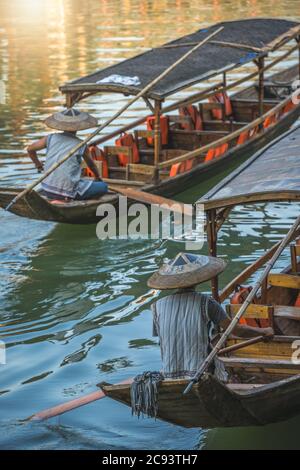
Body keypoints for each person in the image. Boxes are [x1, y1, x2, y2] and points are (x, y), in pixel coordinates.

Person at [147, 252, 274, 381]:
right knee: (225, 373)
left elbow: (164, 338)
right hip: (200, 374)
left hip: (169, 374)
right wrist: (263, 332)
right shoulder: (206, 302)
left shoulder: (157, 306)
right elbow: (234, 330)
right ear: (197, 277)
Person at [26, 108, 108, 201]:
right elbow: (91, 165)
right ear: (78, 127)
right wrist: (97, 177)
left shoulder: (50, 137)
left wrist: (38, 164)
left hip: (47, 188)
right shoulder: (81, 144)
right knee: (103, 187)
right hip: (66, 192)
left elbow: (30, 149)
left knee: (82, 181)